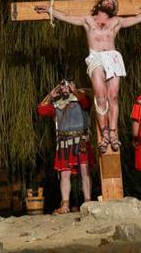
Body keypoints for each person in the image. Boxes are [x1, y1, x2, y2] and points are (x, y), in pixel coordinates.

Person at [34, 0, 141, 152]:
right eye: (106, 0)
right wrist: (50, 9)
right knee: (100, 96)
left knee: (113, 96)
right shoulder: (88, 20)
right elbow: (66, 16)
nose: (109, 2)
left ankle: (114, 133)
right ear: (100, 3)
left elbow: (136, 18)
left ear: (113, 8)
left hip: (113, 57)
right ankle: (105, 133)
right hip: (95, 57)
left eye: (112, 2)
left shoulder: (116, 21)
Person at [36, 79, 95, 214]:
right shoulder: (57, 104)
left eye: (67, 85)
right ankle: (65, 205)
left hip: (81, 140)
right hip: (64, 142)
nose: (64, 87)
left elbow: (87, 104)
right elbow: (41, 110)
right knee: (64, 173)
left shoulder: (81, 99)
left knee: (85, 172)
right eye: (62, 85)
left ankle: (88, 204)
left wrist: (75, 90)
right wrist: (51, 95)